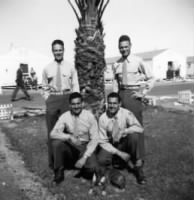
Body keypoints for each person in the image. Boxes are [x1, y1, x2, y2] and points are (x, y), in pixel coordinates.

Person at [42, 39, 80, 169]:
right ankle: (54, 163)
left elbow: (75, 85)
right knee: (52, 132)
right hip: (53, 99)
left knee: (69, 129)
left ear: (63, 50)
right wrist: (48, 100)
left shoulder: (71, 67)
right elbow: (44, 87)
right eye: (55, 50)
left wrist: (76, 102)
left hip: (67, 98)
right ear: (52, 51)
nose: (58, 52)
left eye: (60, 50)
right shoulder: (47, 68)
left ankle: (71, 161)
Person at [50, 92, 99, 184]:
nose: (76, 107)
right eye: (73, 104)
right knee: (56, 143)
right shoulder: (65, 116)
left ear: (82, 104)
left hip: (85, 146)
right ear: (69, 105)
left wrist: (85, 157)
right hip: (72, 146)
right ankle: (59, 172)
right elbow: (53, 133)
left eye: (78, 104)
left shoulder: (89, 116)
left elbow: (95, 139)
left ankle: (82, 167)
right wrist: (68, 137)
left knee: (92, 168)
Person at [98, 92, 145, 185]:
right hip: (111, 146)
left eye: (115, 103)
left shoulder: (126, 113)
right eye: (110, 103)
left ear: (119, 104)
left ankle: (138, 168)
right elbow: (102, 141)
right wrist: (119, 153)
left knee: (134, 136)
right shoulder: (102, 118)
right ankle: (113, 167)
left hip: (123, 144)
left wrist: (125, 131)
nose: (112, 106)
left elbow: (140, 128)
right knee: (100, 160)